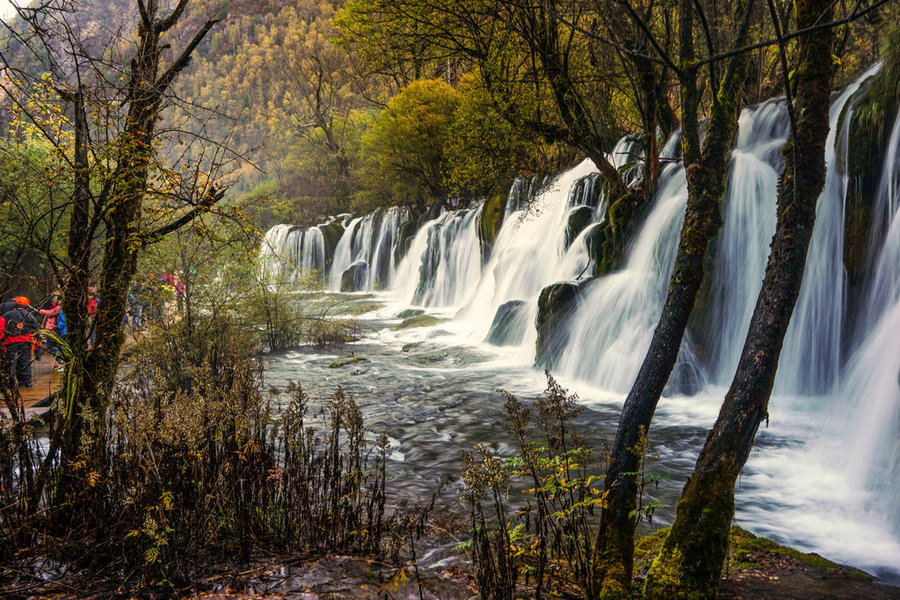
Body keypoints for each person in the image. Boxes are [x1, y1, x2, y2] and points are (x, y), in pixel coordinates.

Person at [1, 296, 38, 388]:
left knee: (11, 362)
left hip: (10, 342)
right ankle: (26, 382)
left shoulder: (7, 315)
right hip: (26, 342)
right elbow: (36, 328)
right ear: (26, 306)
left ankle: (8, 384)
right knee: (25, 362)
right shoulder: (29, 315)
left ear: (16, 304)